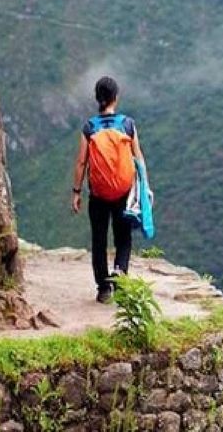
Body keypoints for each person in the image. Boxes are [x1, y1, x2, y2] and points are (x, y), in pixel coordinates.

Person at [71, 76, 147, 303]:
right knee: (123, 238)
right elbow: (138, 158)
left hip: (98, 194)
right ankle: (120, 278)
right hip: (123, 192)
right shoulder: (128, 125)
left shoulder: (89, 128)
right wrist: (145, 190)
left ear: (98, 98)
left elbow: (81, 163)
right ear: (116, 97)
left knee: (99, 240)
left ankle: (103, 288)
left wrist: (76, 192)